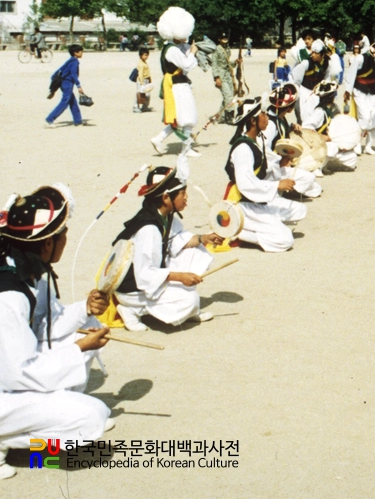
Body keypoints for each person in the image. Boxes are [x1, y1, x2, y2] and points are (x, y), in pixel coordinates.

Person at [0, 184, 113, 479]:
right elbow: (19, 372)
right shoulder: (8, 296)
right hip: (6, 384)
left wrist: (85, 309)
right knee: (92, 417)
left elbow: (45, 326)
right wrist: (79, 349)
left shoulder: (23, 267)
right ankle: (19, 449)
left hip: (9, 375)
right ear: (46, 243)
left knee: (86, 331)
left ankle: (21, 432)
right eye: (62, 234)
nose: (66, 239)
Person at [112, 162, 223, 331]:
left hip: (147, 278)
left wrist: (204, 238)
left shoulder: (164, 215)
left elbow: (177, 241)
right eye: (182, 194)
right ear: (165, 197)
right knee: (190, 300)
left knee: (196, 251)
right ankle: (132, 310)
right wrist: (180, 277)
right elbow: (144, 274)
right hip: (132, 289)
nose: (186, 198)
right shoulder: (148, 229)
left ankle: (184, 306)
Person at [223, 97, 304, 252]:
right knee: (285, 240)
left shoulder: (255, 142)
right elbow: (246, 184)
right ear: (253, 121)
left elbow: (264, 171)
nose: (267, 117)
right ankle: (237, 231)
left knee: (300, 210)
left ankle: (267, 223)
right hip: (243, 202)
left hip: (258, 198)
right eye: (263, 115)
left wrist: (283, 164)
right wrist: (277, 185)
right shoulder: (242, 149)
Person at [150, 7, 201, 157]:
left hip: (180, 84)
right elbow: (186, 65)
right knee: (185, 117)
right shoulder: (172, 50)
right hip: (177, 85)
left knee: (182, 118)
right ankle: (185, 149)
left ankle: (159, 139)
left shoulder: (173, 47)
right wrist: (192, 53)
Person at [291, 39, 336, 129]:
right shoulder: (306, 63)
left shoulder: (327, 62)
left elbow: (327, 76)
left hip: (316, 92)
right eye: (313, 52)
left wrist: (324, 89)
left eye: (316, 53)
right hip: (305, 90)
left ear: (322, 55)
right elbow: (296, 78)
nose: (313, 55)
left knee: (315, 113)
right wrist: (296, 91)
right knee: (304, 114)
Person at [46, 45, 85, 126]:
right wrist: (78, 85)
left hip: (63, 83)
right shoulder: (74, 62)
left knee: (73, 102)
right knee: (64, 102)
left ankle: (78, 121)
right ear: (75, 53)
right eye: (81, 51)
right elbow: (73, 74)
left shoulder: (70, 61)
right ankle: (50, 119)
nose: (82, 53)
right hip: (68, 83)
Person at [212, 33, 239, 124]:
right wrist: (216, 78)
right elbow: (214, 64)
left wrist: (235, 62)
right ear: (219, 39)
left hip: (228, 75)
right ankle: (230, 117)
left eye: (226, 37)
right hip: (220, 75)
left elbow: (227, 63)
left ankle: (219, 117)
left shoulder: (227, 48)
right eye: (222, 38)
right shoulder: (217, 49)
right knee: (228, 96)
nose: (224, 39)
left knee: (228, 96)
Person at [134, 47, 154, 113]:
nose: (146, 57)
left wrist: (150, 79)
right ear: (141, 55)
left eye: (147, 55)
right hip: (142, 81)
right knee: (139, 94)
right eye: (145, 55)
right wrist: (141, 82)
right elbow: (140, 74)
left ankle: (145, 107)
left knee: (147, 94)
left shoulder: (145, 62)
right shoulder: (141, 64)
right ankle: (136, 106)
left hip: (147, 80)